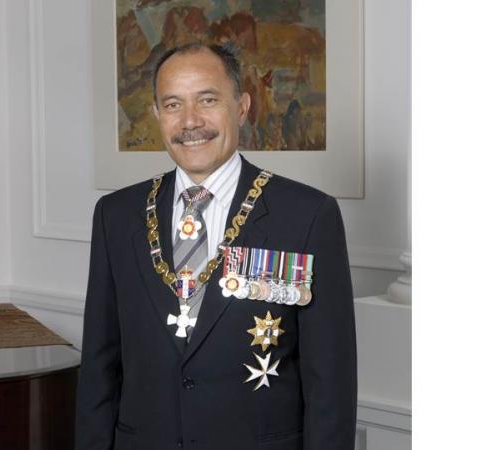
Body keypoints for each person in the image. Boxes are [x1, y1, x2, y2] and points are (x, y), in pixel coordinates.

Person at [75, 43, 357, 450]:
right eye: (173, 104)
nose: (190, 121)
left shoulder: (307, 215)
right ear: (156, 114)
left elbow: (330, 380)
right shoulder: (116, 215)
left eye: (207, 100)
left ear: (241, 106)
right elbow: (99, 367)